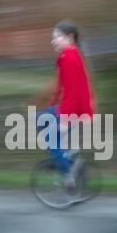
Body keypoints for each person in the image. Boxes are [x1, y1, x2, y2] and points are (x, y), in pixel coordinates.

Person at [28, 20, 97, 188]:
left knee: (49, 139)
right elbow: (63, 87)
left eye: (57, 37)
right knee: (37, 119)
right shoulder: (68, 55)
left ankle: (68, 176)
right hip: (70, 107)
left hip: (72, 110)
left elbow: (75, 91)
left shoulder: (70, 57)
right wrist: (51, 106)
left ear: (69, 37)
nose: (53, 41)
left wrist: (65, 118)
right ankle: (68, 154)